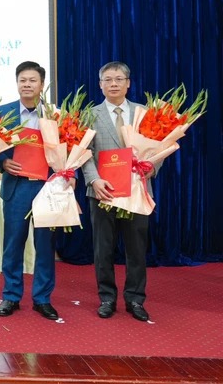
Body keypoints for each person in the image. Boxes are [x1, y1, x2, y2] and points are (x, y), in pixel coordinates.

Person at [81, 61, 157, 322]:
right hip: (104, 192)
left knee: (136, 248)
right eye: (108, 80)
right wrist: (93, 180)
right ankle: (107, 298)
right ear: (100, 84)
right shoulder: (89, 114)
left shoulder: (143, 112)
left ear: (128, 83)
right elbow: (84, 154)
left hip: (136, 191)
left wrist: (151, 167)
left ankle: (135, 298)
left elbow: (157, 148)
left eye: (118, 79)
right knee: (103, 249)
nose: (113, 84)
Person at [0, 60, 65, 320]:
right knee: (13, 244)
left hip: (46, 187)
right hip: (16, 187)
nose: (27, 84)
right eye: (22, 80)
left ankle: (42, 298)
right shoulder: (3, 113)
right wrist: (1, 162)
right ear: (17, 83)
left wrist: (69, 173)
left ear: (42, 85)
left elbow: (69, 148)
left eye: (32, 80)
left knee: (45, 245)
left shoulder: (55, 115)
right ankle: (11, 296)